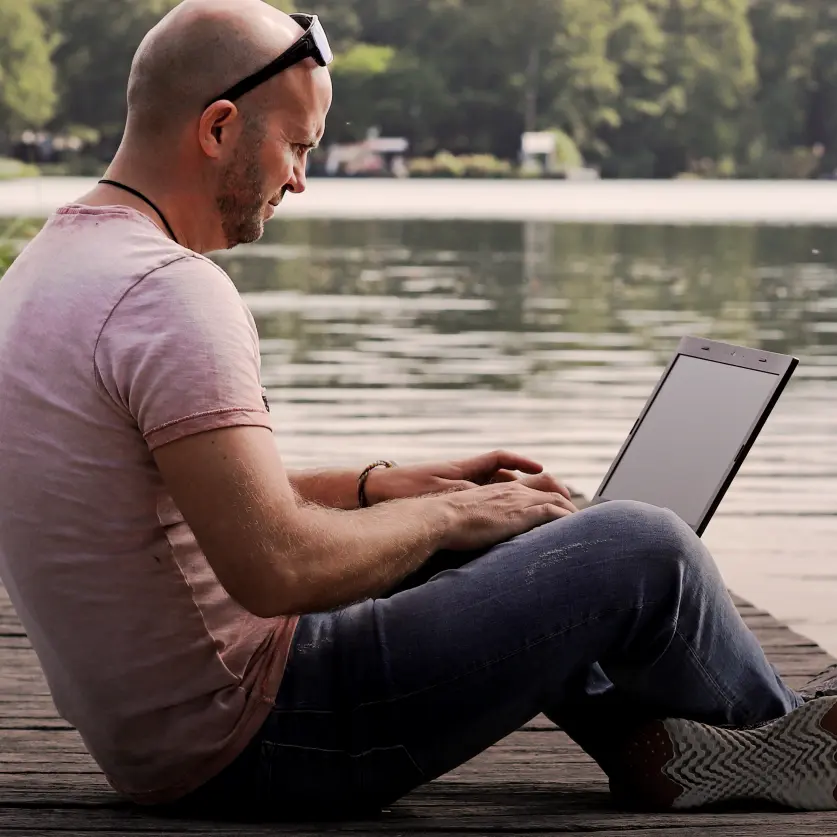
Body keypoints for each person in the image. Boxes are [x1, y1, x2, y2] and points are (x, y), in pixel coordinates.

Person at [0, 0, 836, 818]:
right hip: (263, 737)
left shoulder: (45, 270)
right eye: (295, 147)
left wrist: (383, 488)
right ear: (218, 128)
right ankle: (790, 745)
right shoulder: (168, 294)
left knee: (517, 530)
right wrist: (446, 519)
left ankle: (663, 748)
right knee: (643, 545)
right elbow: (275, 568)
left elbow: (178, 489)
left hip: (165, 737)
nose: (298, 180)